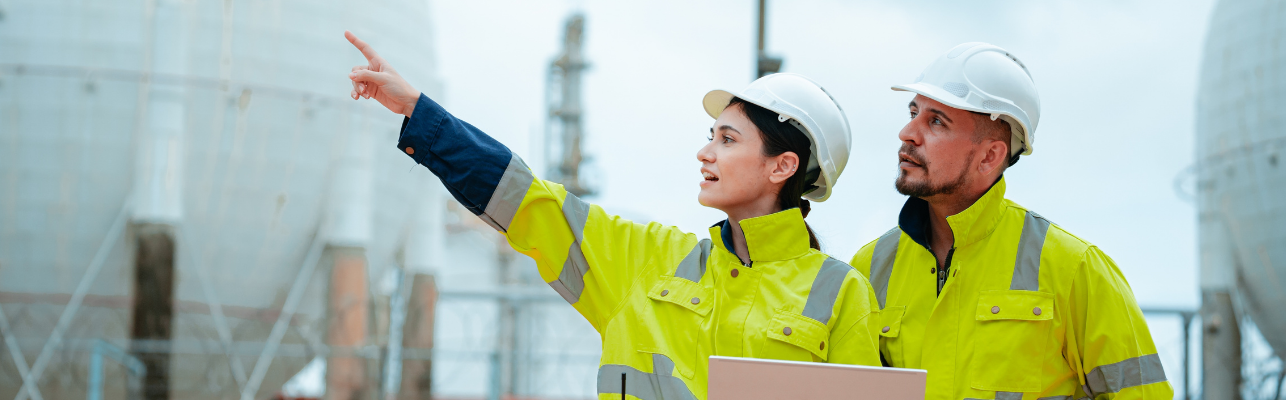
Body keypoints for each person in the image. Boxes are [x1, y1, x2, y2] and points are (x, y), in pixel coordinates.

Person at [342, 31, 879, 399]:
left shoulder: (841, 295)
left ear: (782, 165)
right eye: (709, 137)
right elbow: (525, 199)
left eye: (728, 139)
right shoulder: (647, 263)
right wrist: (420, 113)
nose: (705, 153)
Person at [849, 42, 1172, 400]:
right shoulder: (869, 268)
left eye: (936, 121)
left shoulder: (1075, 268)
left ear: (989, 156)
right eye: (913, 112)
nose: (908, 133)